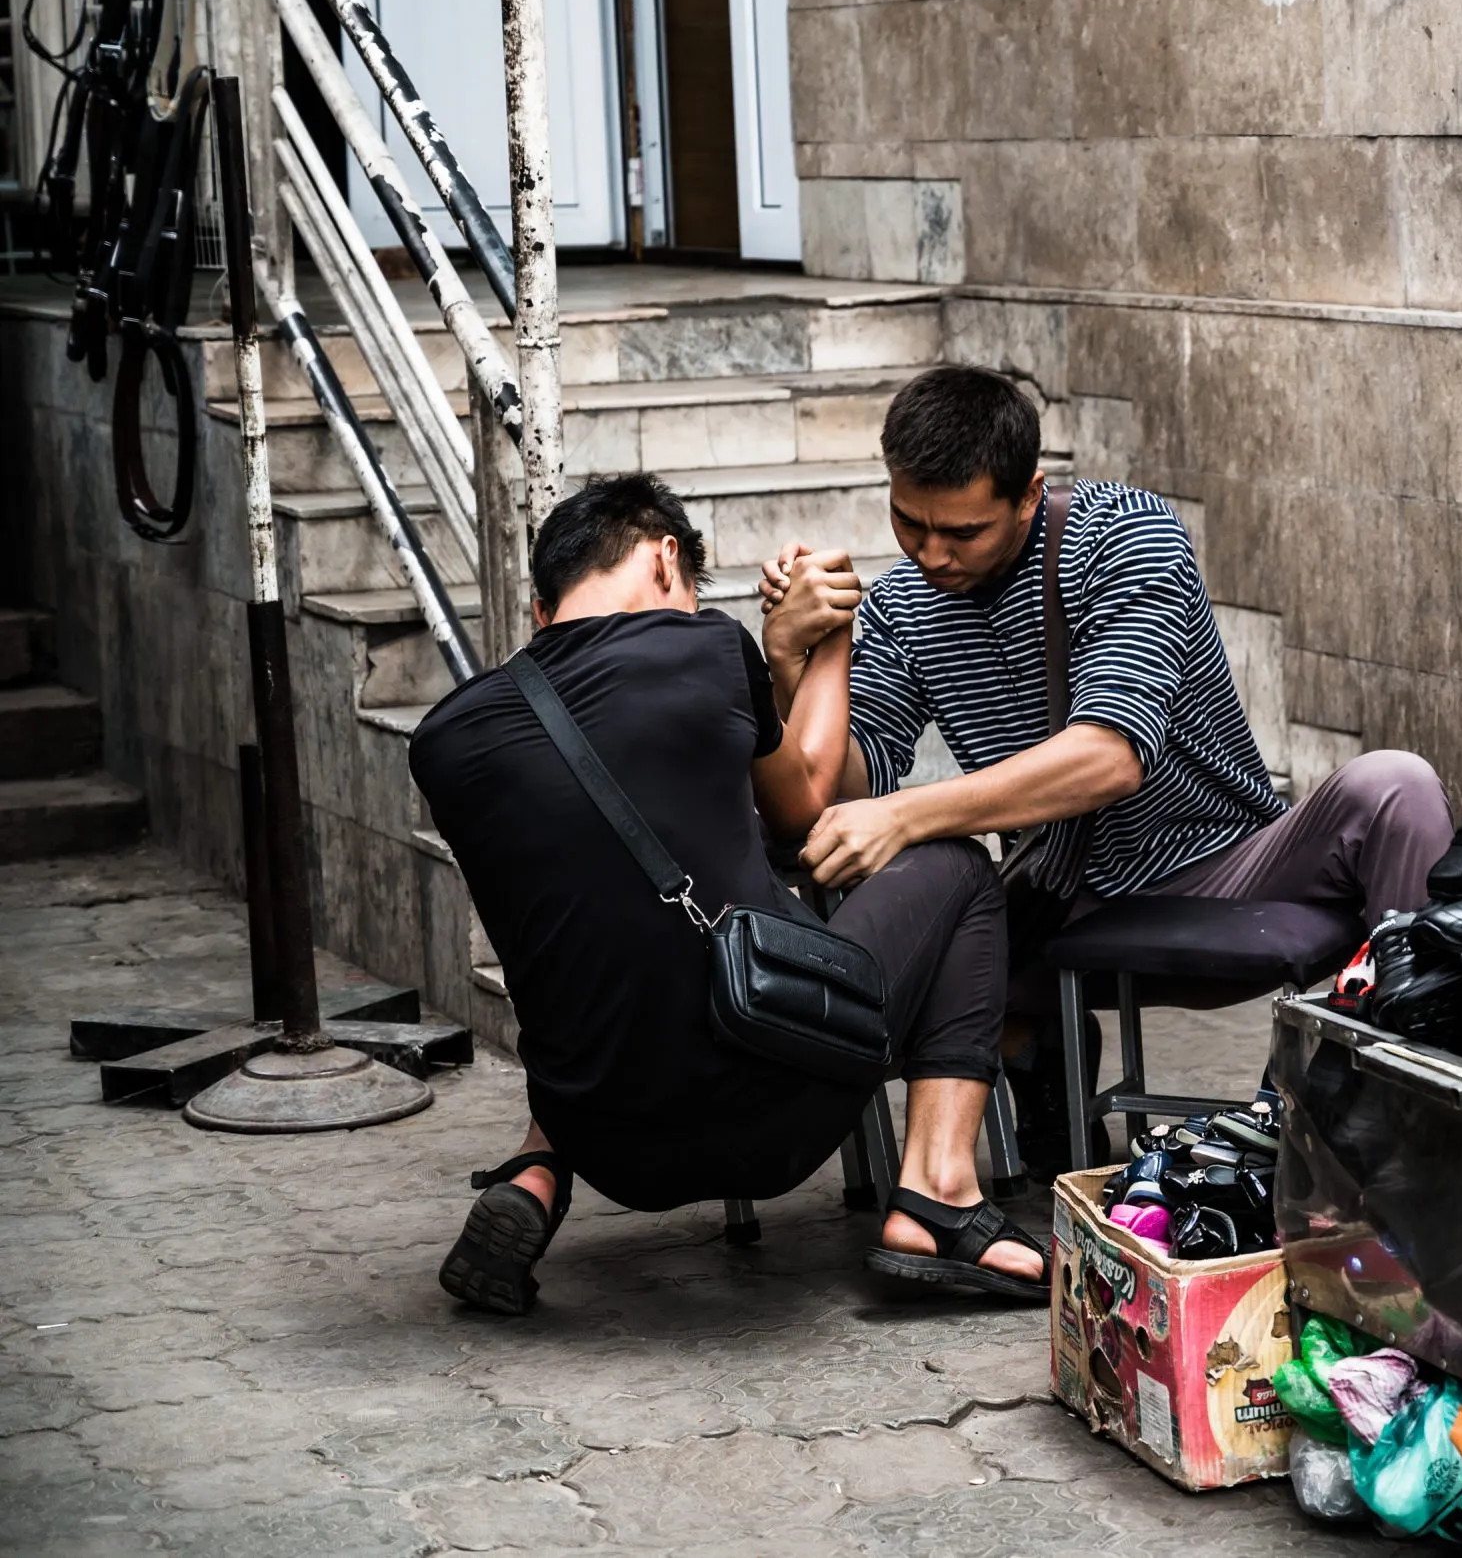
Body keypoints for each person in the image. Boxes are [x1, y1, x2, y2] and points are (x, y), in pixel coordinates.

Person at [757, 366, 1456, 1163]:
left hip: (1225, 866)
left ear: (1028, 495)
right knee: (904, 930)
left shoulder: (1123, 535)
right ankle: (1038, 1077)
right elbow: (844, 787)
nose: (931, 553)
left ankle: (1408, 1106)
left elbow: (1111, 754)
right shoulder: (902, 606)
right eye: (909, 522)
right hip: (1060, 900)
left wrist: (907, 813)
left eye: (963, 532)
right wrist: (799, 658)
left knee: (1395, 785)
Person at [411, 473, 1047, 1316]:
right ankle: (938, 1191)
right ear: (664, 558)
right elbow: (805, 804)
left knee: (598, 938)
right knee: (959, 866)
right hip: (772, 1118)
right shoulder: (705, 647)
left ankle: (534, 1171)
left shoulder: (446, 742)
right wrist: (832, 637)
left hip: (606, 1146)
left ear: (540, 610)